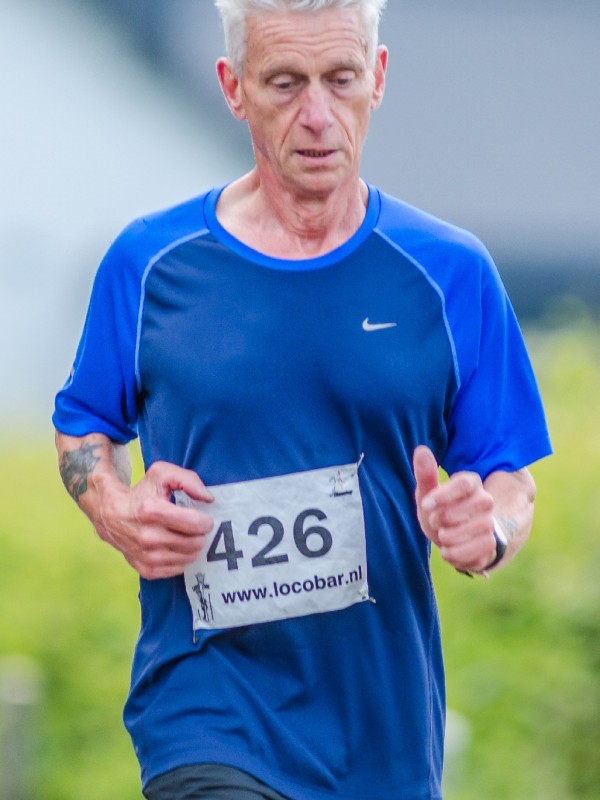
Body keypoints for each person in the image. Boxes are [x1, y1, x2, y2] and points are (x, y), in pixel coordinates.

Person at [53, 1, 552, 798]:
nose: (317, 116)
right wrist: (114, 507)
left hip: (382, 734)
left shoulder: (449, 272)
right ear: (233, 87)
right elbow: (84, 423)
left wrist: (486, 529)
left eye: (339, 79)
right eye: (285, 83)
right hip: (206, 713)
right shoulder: (150, 264)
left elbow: (510, 477)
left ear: (377, 78)